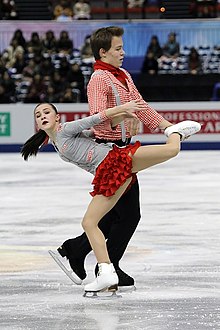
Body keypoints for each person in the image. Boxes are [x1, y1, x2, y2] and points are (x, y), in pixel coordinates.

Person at [47, 25, 182, 291]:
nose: (123, 53)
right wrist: (125, 115)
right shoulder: (98, 79)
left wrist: (168, 127)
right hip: (109, 155)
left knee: (121, 215)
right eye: (118, 49)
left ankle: (80, 252)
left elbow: (140, 106)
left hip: (123, 150)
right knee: (125, 215)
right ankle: (102, 263)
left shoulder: (123, 75)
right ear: (103, 52)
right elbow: (100, 120)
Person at [21, 102, 201, 292]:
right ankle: (176, 132)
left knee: (90, 223)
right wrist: (121, 119)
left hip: (113, 164)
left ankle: (106, 272)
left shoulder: (65, 129)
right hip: (112, 168)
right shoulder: (58, 143)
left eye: (47, 112)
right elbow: (98, 135)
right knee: (170, 151)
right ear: (37, 124)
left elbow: (94, 119)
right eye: (38, 114)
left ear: (57, 117)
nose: (42, 116)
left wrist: (120, 111)